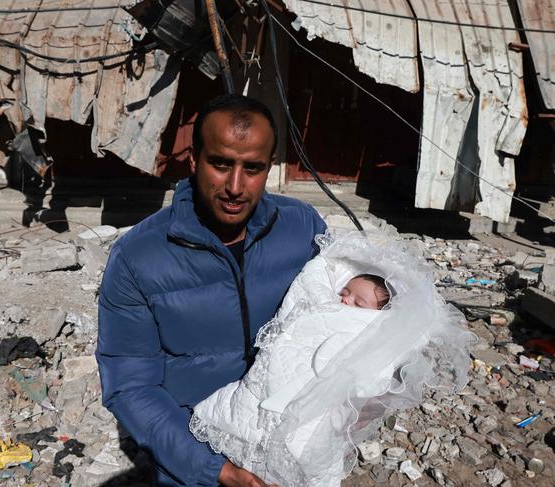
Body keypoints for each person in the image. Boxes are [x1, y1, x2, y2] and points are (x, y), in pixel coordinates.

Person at [96, 94, 327, 487]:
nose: (235, 186)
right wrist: (214, 470)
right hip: (193, 458)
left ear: (269, 167)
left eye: (252, 168)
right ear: (194, 160)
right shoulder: (139, 257)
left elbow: (344, 319)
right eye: (221, 164)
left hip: (293, 451)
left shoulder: (302, 229)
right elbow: (131, 385)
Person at [190, 231, 474, 487]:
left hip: (316, 410)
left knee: (307, 445)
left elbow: (370, 383)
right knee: (248, 411)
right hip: (272, 381)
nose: (345, 301)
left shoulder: (375, 334)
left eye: (358, 303)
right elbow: (313, 282)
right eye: (345, 292)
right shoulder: (322, 304)